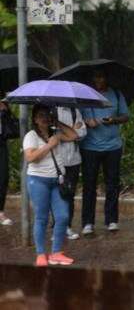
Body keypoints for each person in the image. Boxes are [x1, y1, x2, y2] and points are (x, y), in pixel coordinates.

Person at [23, 104, 78, 267]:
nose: (45, 118)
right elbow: (30, 158)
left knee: (62, 217)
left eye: (47, 115)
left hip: (57, 181)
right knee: (42, 218)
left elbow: (74, 135)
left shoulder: (56, 133)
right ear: (35, 119)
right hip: (38, 180)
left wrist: (58, 122)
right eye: (41, 115)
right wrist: (49, 145)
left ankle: (56, 253)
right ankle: (41, 254)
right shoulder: (31, 136)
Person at [80, 70, 129, 235]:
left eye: (101, 76)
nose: (98, 79)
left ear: (107, 78)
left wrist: (113, 120)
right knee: (89, 186)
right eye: (96, 76)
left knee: (112, 184)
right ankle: (87, 222)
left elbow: (125, 116)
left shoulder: (115, 94)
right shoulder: (84, 96)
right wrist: (87, 122)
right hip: (90, 148)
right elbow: (76, 120)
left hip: (113, 147)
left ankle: (112, 220)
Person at [56, 107, 87, 240]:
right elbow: (52, 136)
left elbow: (82, 133)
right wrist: (72, 132)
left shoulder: (75, 111)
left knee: (70, 194)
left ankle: (67, 226)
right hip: (57, 159)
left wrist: (70, 134)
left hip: (74, 159)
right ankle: (57, 227)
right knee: (57, 195)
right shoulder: (52, 111)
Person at [0, 99, 17, 226]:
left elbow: (11, 127)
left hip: (1, 143)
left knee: (3, 177)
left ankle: (0, 212)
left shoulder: (3, 108)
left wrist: (6, 110)